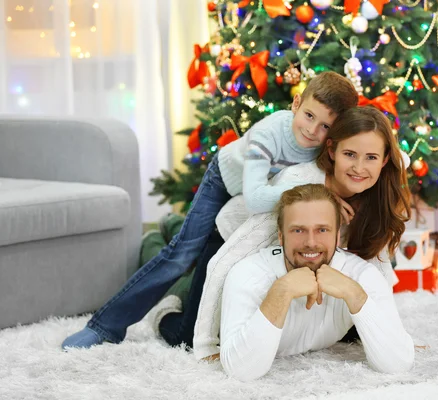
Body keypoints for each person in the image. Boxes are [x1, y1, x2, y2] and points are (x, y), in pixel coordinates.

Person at [61, 71, 359, 349]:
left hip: (264, 191)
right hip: (226, 181)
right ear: (296, 103)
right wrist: (319, 188)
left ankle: (178, 225)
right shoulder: (270, 133)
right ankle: (104, 326)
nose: (312, 130)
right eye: (308, 115)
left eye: (325, 126)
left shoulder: (326, 148)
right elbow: (256, 199)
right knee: (182, 255)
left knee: (209, 245)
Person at [148, 106, 412, 357]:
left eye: (371, 158)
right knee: (188, 338)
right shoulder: (298, 184)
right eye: (350, 155)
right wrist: (207, 346)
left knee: (351, 331)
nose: (358, 167)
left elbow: (377, 268)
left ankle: (177, 240)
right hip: (232, 239)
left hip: (285, 253)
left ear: (385, 159)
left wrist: (395, 334)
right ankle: (168, 280)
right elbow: (224, 261)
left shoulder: (378, 192)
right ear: (332, 150)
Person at [219, 184, 414, 380]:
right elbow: (240, 371)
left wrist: (353, 293)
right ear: (280, 236)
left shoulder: (361, 275)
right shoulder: (248, 273)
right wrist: (281, 291)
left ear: (337, 236)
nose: (311, 242)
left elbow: (398, 364)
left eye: (322, 229)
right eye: (298, 230)